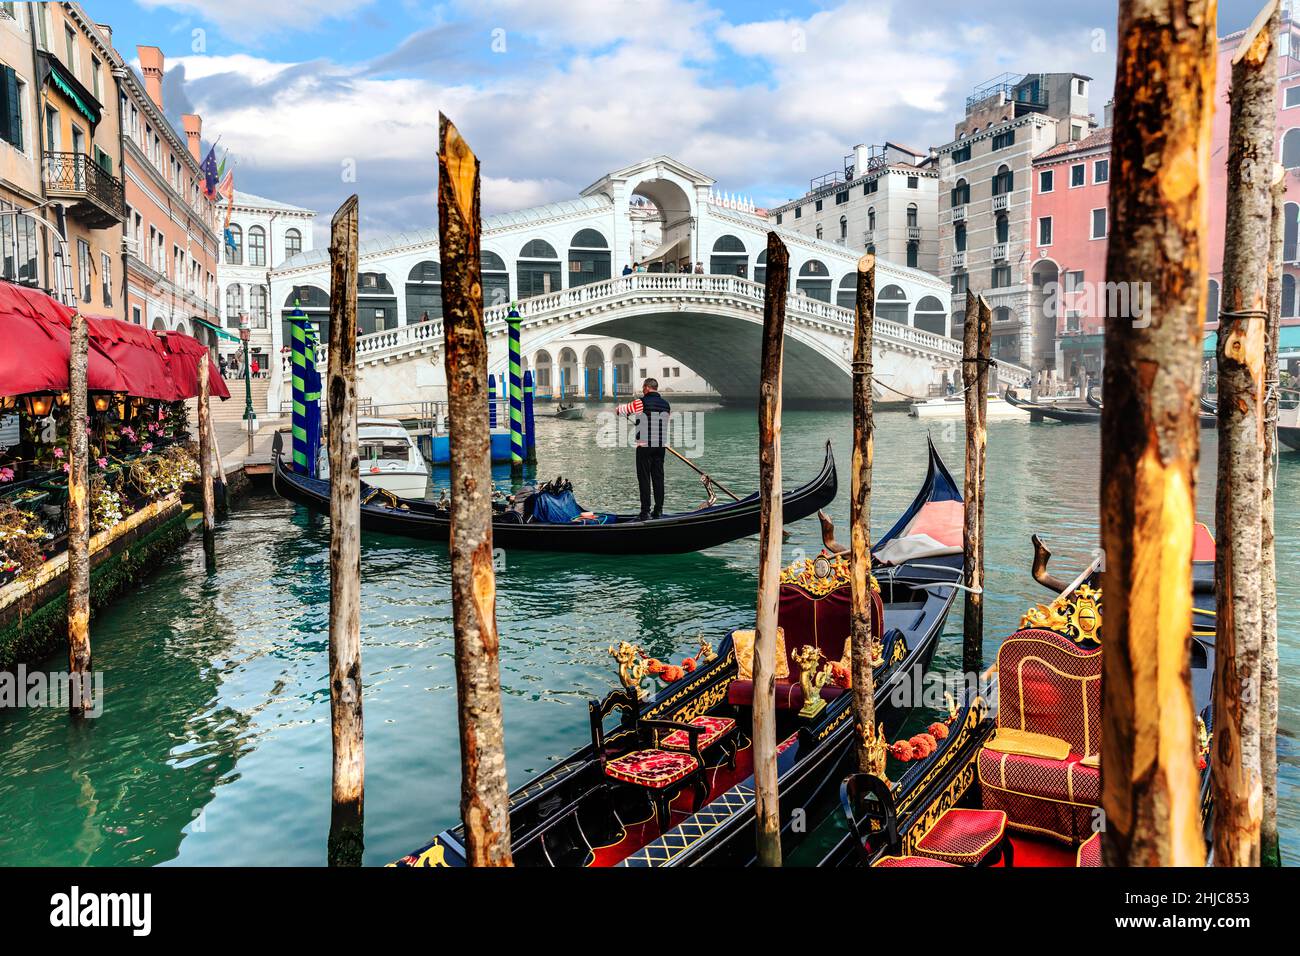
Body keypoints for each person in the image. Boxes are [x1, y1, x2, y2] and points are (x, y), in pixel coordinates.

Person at [616, 377, 671, 521]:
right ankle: (658, 511)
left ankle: (645, 512)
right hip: (660, 446)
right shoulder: (666, 405)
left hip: (645, 446)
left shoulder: (640, 402)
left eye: (643, 387)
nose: (642, 390)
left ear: (647, 388)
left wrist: (623, 411)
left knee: (644, 479)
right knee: (658, 478)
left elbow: (620, 410)